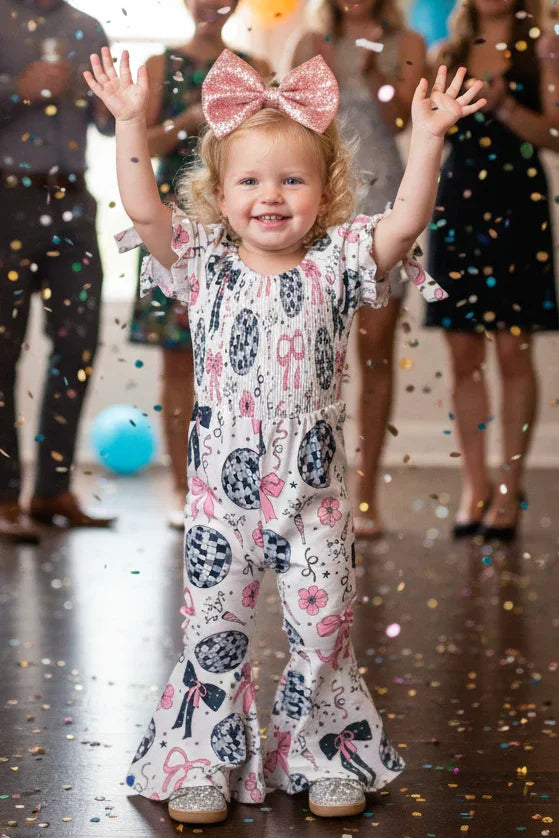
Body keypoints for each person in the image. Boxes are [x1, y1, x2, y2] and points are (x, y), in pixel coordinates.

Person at [85, 46, 484, 823]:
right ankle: (200, 759)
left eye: (292, 180)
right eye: (251, 181)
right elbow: (140, 211)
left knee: (325, 626)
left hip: (313, 498)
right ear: (218, 193)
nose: (271, 196)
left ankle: (321, 752)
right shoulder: (201, 259)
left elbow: (404, 225)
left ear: (327, 190)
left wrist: (428, 136)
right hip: (218, 503)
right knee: (214, 632)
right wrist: (132, 121)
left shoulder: (337, 260)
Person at [129, 0, 269, 529]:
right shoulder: (162, 64)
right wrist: (187, 121)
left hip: (233, 224)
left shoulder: (252, 67)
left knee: (241, 365)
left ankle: (236, 484)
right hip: (173, 224)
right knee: (177, 361)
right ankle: (181, 489)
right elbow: (136, 146)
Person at [424, 0, 559, 541]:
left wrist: (503, 106)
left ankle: (510, 483)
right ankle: (473, 483)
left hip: (518, 204)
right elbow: (432, 134)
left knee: (513, 349)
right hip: (458, 205)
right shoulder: (448, 53)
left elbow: (553, 134)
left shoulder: (542, 49)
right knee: (462, 353)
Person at [293, 0, 426, 537]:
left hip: (384, 203)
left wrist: (376, 78)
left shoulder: (408, 45)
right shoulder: (310, 44)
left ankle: (365, 497)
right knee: (313, 356)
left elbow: (403, 123)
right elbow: (295, 129)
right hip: (324, 203)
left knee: (374, 355)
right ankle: (310, 496)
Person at [0, 0, 116, 544]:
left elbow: (111, 125)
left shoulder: (88, 29)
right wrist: (15, 89)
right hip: (6, 200)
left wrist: (108, 101)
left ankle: (52, 489)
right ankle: (2, 498)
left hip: (73, 202)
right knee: (2, 350)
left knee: (78, 346)